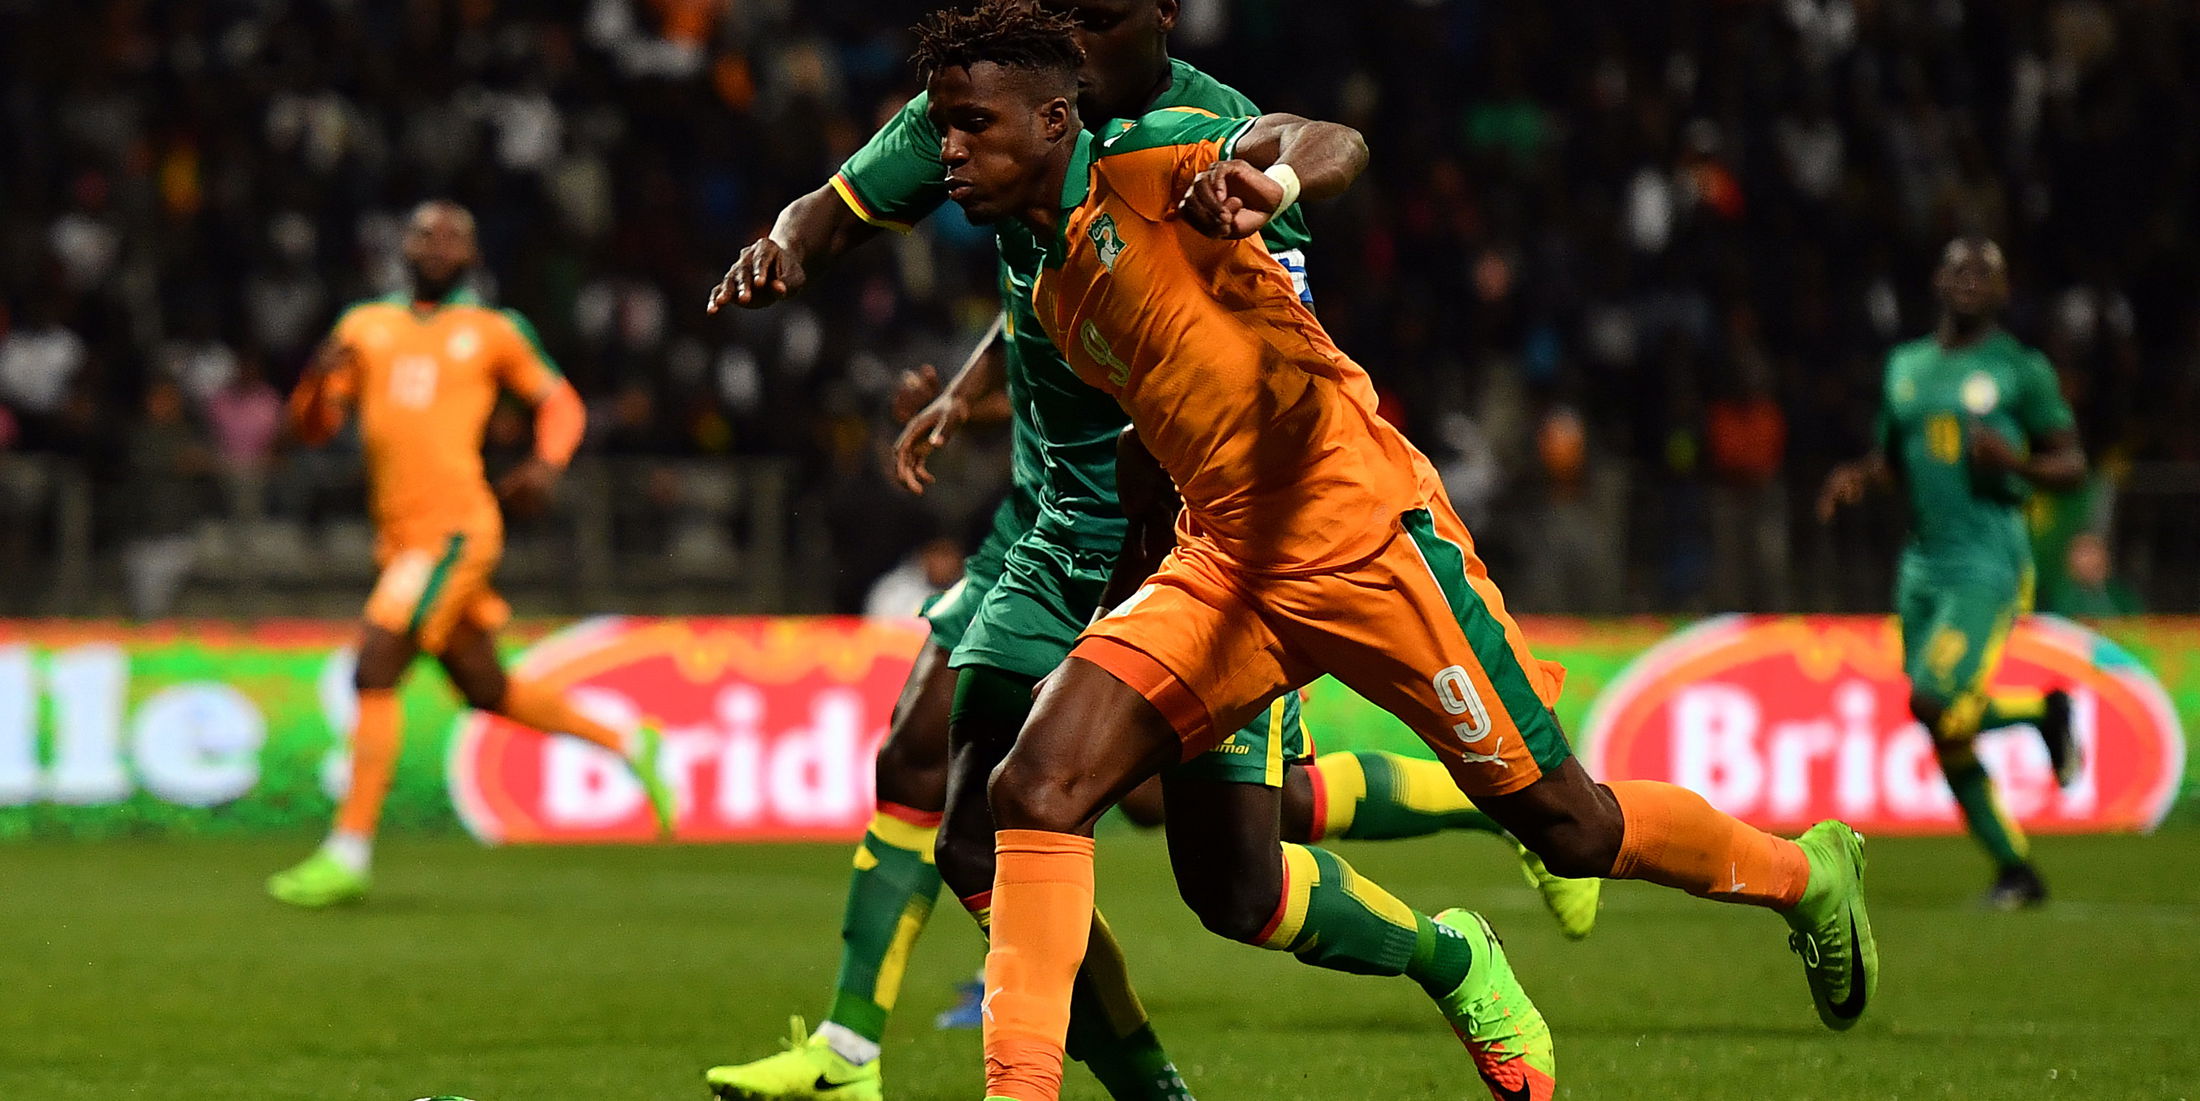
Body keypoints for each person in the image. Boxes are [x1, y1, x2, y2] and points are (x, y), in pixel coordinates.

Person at [904, 6, 1880, 1100]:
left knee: (1569, 826)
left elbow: (1328, 139)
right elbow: (1155, 437)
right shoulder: (1052, 286)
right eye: (942, 128)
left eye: (971, 124)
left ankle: (1805, 875)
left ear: (1052, 120)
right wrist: (1122, 596)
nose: (948, 152)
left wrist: (1272, 183)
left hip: (1364, 540)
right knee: (1036, 787)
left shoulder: (1153, 163)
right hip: (1223, 564)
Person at [700, 3, 1592, 1099]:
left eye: (1098, 14)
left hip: (1192, 537)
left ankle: (1460, 924)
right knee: (966, 809)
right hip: (1047, 524)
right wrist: (799, 260)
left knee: (1239, 878)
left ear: (1159, 15)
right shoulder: (985, 101)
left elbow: (1260, 338)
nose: (1073, 32)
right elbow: (882, 225)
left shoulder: (1210, 136)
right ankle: (867, 1053)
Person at [267, 200, 674, 909]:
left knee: (375, 664)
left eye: (454, 237)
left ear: (473, 256)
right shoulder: (363, 326)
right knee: (484, 686)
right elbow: (314, 428)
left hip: (455, 530)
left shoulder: (493, 330)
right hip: (399, 539)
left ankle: (347, 851)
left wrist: (546, 464)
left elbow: (562, 404)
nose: (438, 245)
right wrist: (311, 383)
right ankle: (625, 739)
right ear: (403, 246)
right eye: (426, 233)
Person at [1820, 238, 2087, 909]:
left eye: (1985, 271)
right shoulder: (1905, 367)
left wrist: (2017, 464)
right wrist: (1859, 476)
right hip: (1922, 565)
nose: (1970, 279)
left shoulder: (2020, 370)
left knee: (1935, 698)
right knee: (1942, 726)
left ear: (2004, 290)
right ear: (1938, 281)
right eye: (1959, 268)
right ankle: (2015, 869)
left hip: (1987, 561)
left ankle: (2042, 712)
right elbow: (1893, 459)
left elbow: (2072, 463)